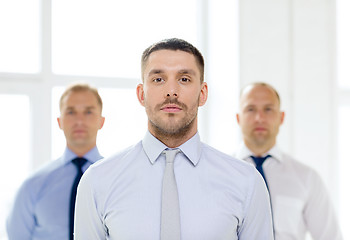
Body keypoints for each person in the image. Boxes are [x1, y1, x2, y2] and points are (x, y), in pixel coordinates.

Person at [74, 38, 274, 240]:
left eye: (184, 79)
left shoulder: (246, 182)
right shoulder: (97, 182)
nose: (171, 91)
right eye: (158, 79)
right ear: (141, 94)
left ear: (202, 93)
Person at [235, 82, 343, 240]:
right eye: (250, 109)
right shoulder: (219, 175)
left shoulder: (307, 178)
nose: (259, 118)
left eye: (268, 109)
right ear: (238, 118)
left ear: (281, 117)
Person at [7, 83, 105, 240]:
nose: (79, 120)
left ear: (101, 121)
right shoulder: (32, 186)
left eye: (88, 111)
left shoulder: (117, 180)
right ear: (60, 122)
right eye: (71, 112)